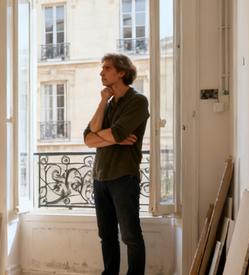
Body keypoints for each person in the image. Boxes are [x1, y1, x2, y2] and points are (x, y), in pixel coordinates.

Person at [83, 53, 150, 275]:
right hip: (100, 177)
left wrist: (111, 136)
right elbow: (87, 137)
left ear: (122, 72)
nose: (101, 72)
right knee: (106, 234)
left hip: (124, 177)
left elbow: (117, 132)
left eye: (107, 68)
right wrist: (103, 101)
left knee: (130, 236)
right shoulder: (109, 104)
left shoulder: (138, 101)